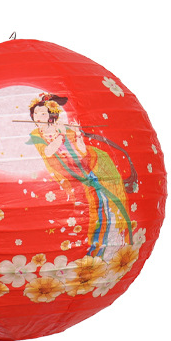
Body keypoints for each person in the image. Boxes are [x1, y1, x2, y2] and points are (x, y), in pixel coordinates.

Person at [26, 94, 133, 258]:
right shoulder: (36, 134)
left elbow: (82, 152)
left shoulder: (64, 129)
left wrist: (76, 134)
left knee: (105, 205)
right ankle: (94, 249)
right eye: (36, 113)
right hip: (69, 176)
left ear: (51, 115)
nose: (38, 116)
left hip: (86, 171)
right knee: (90, 209)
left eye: (42, 113)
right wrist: (61, 135)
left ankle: (109, 246)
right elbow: (47, 152)